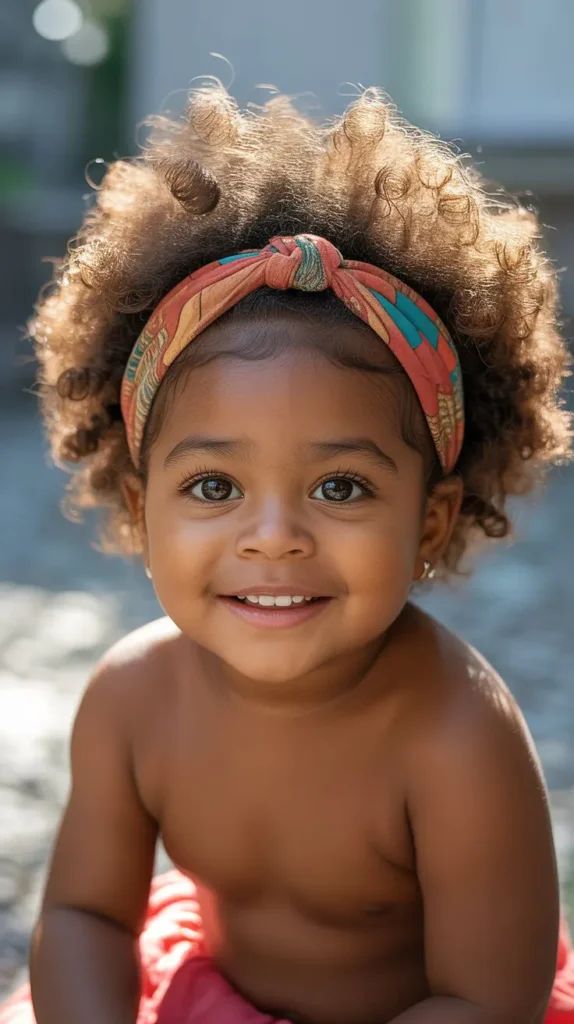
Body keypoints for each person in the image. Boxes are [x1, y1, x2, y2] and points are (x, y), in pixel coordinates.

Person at [2, 86, 574, 1024]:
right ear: (144, 511)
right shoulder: (133, 699)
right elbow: (83, 915)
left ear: (430, 522)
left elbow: (485, 1001)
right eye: (215, 488)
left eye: (341, 487)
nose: (274, 536)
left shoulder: (455, 737)